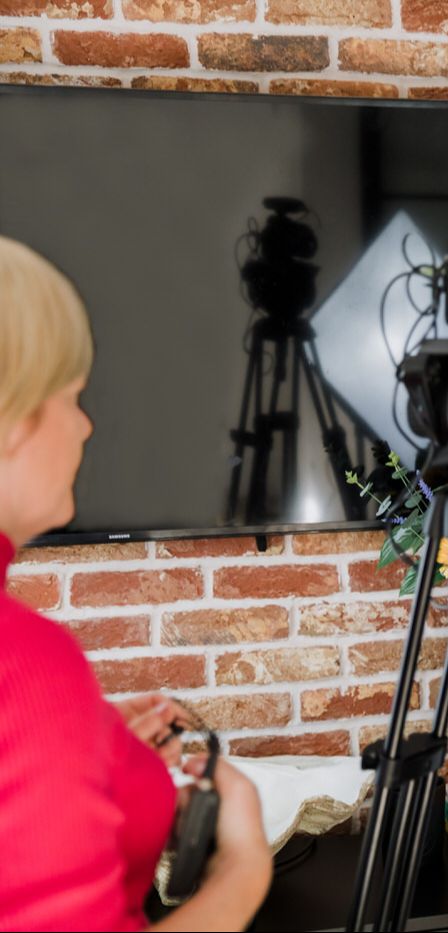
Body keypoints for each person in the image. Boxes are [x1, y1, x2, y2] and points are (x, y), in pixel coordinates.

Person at [0, 236, 272, 931]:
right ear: (13, 414)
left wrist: (75, 751)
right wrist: (242, 868)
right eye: (71, 395)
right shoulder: (25, 665)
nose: (86, 425)